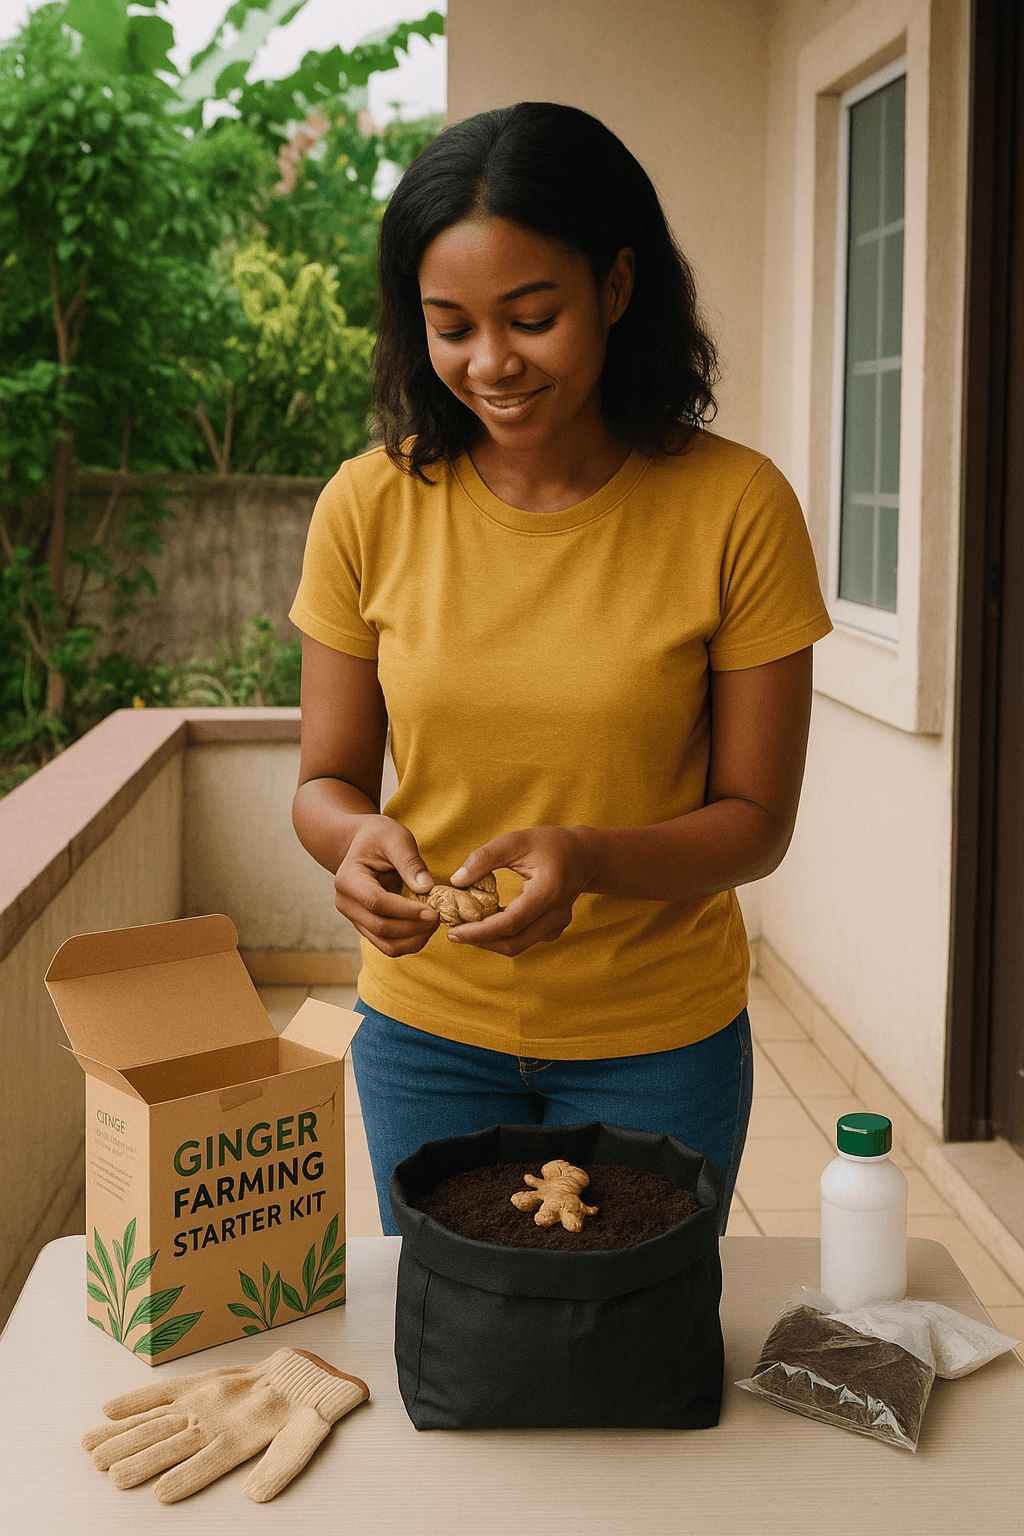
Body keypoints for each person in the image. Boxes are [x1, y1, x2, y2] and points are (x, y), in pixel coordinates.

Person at [289, 102, 832, 1236]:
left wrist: (584, 859)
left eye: (531, 317)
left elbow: (755, 821)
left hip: (657, 1045)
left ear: (616, 288)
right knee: (459, 1361)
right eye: (450, 326)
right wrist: (354, 845)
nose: (490, 363)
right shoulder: (366, 504)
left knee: (631, 1366)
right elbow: (325, 781)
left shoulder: (737, 507)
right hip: (424, 1034)